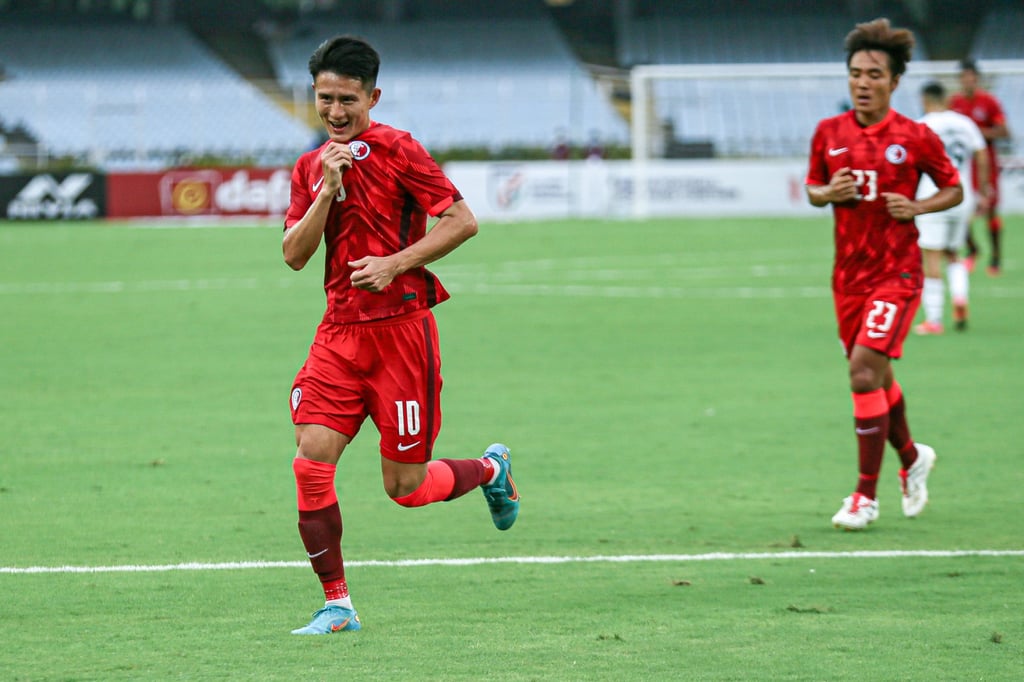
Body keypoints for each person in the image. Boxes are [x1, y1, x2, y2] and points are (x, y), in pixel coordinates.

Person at [282, 35, 520, 635]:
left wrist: (396, 263)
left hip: (402, 338)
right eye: (325, 98)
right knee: (311, 462)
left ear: (373, 97)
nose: (335, 111)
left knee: (405, 488)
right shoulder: (310, 167)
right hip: (339, 336)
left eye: (348, 99)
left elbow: (462, 221)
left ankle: (491, 471)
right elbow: (293, 255)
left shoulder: (400, 149)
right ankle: (338, 605)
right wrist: (326, 191)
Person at [805, 18, 963, 530]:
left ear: (894, 82)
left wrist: (917, 207)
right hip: (847, 279)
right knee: (876, 376)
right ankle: (913, 457)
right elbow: (812, 188)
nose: (863, 82)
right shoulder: (828, 133)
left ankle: (864, 497)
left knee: (861, 373)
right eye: (856, 73)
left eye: (874, 74)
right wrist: (827, 194)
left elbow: (954, 189)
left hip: (897, 274)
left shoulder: (915, 137)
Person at [913, 81, 990, 335]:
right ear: (945, 99)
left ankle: (934, 319)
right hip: (961, 194)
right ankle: (960, 297)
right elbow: (981, 154)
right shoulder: (964, 123)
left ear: (925, 100)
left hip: (932, 196)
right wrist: (984, 190)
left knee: (931, 257)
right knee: (954, 253)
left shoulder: (921, 125)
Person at [949, 59, 1010, 276]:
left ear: (976, 79)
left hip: (987, 164)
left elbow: (1004, 132)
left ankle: (996, 257)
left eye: (971, 77)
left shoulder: (989, 102)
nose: (967, 81)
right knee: (960, 209)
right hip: (964, 165)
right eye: (964, 77)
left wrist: (975, 133)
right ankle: (972, 249)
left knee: (990, 210)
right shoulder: (954, 103)